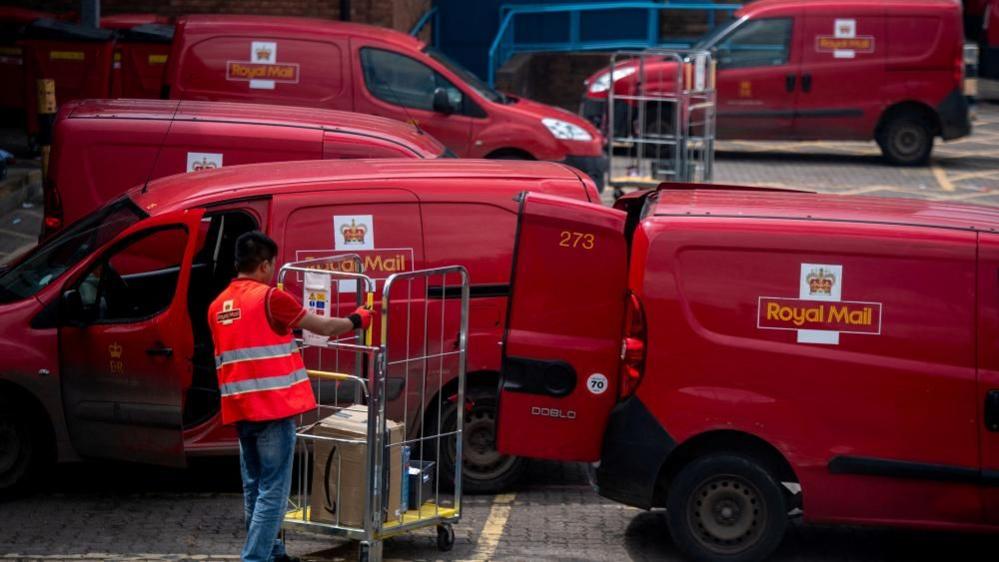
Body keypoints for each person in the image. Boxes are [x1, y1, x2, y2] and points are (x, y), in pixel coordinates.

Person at [208, 231, 370, 562]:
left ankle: (273, 552)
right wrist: (358, 319)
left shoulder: (216, 307)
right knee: (274, 492)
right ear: (265, 265)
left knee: (254, 488)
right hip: (272, 410)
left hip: (240, 410)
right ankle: (255, 558)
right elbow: (323, 327)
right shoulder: (270, 299)